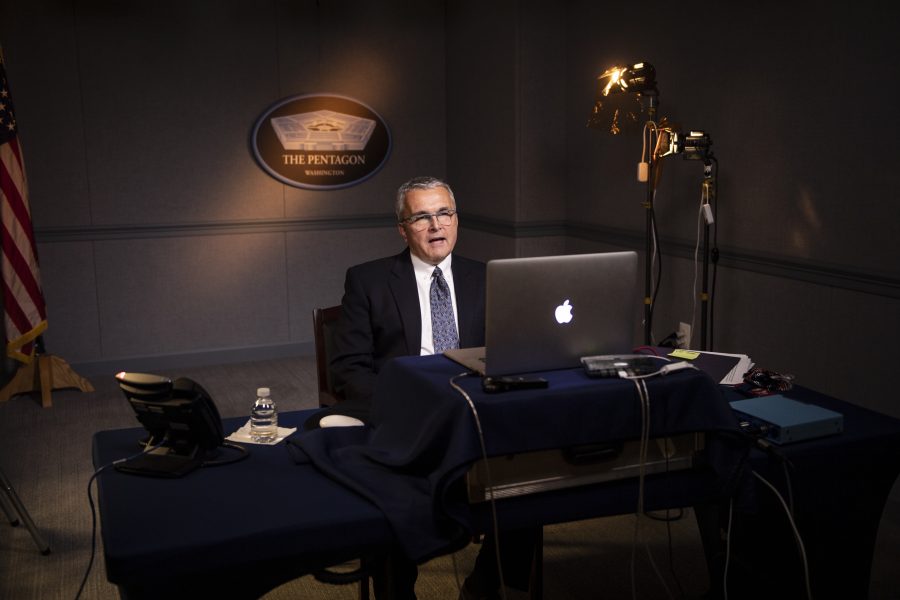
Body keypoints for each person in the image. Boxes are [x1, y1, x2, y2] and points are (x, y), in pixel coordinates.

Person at [307, 176, 536, 599]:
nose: (436, 226)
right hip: (404, 413)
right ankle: (398, 592)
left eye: (444, 213)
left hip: (475, 409)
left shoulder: (487, 277)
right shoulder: (368, 280)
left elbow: (512, 353)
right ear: (402, 227)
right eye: (422, 217)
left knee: (529, 474)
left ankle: (489, 583)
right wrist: (407, 409)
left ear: (456, 220)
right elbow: (349, 369)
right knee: (392, 491)